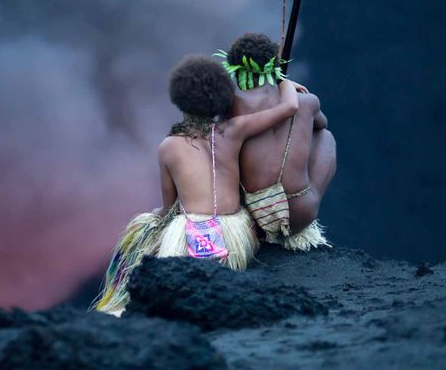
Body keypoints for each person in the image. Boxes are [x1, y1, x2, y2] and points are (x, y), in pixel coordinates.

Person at [93, 55, 299, 315]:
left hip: (187, 239)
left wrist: (150, 225)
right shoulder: (234, 130)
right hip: (235, 238)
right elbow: (290, 108)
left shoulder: (168, 147)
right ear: (220, 98)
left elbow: (169, 209)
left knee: (141, 237)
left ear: (181, 100)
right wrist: (284, 83)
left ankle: (120, 303)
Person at [224, 33, 336, 251]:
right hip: (300, 213)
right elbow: (322, 124)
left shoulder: (233, 105)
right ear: (274, 68)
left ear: (236, 71)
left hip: (254, 217)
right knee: (325, 136)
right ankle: (297, 207)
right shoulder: (307, 102)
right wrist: (287, 88)